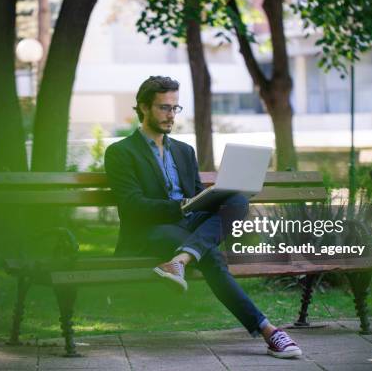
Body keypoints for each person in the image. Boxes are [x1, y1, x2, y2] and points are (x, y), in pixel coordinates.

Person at [104, 76, 302, 359]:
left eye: (175, 108)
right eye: (163, 107)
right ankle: (269, 331)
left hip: (184, 227)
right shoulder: (121, 153)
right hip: (148, 232)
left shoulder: (184, 152)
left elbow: (197, 196)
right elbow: (133, 206)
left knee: (235, 200)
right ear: (143, 108)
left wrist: (210, 198)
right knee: (211, 255)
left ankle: (180, 260)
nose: (171, 115)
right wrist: (183, 206)